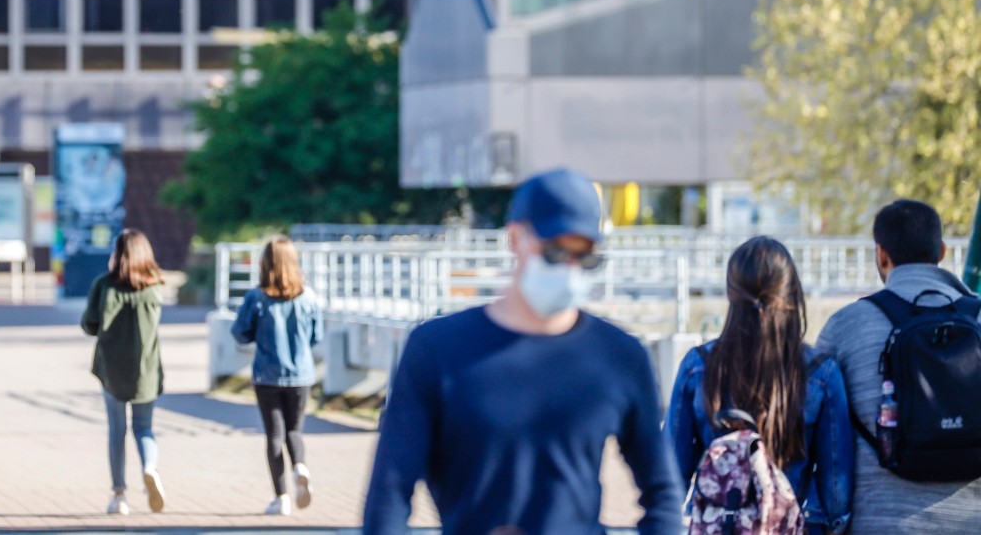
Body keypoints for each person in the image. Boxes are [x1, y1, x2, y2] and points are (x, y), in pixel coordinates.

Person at [363, 168, 684, 534]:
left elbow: (662, 492)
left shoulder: (620, 356)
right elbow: (389, 494)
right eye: (555, 252)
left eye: (586, 257)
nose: (569, 269)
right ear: (515, 238)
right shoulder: (437, 349)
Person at [665, 236, 854, 534]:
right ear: (790, 292)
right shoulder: (821, 374)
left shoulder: (697, 366)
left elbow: (670, 475)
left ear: (730, 292)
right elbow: (835, 492)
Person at [816, 199, 981, 533]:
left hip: (879, 522)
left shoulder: (845, 327)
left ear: (881, 254)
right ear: (942, 252)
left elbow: (818, 429)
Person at [231, 236, 323, 516]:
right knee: (294, 430)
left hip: (267, 375)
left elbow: (240, 333)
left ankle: (280, 497)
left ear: (265, 263)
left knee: (274, 435)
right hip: (301, 374)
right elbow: (316, 336)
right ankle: (300, 466)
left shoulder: (256, 297)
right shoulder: (308, 296)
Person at [80, 228, 167, 517]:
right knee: (144, 427)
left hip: (112, 370)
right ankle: (149, 468)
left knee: (117, 430)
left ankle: (119, 495)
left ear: (117, 253)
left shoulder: (104, 285)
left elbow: (89, 325)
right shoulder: (155, 287)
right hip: (146, 371)